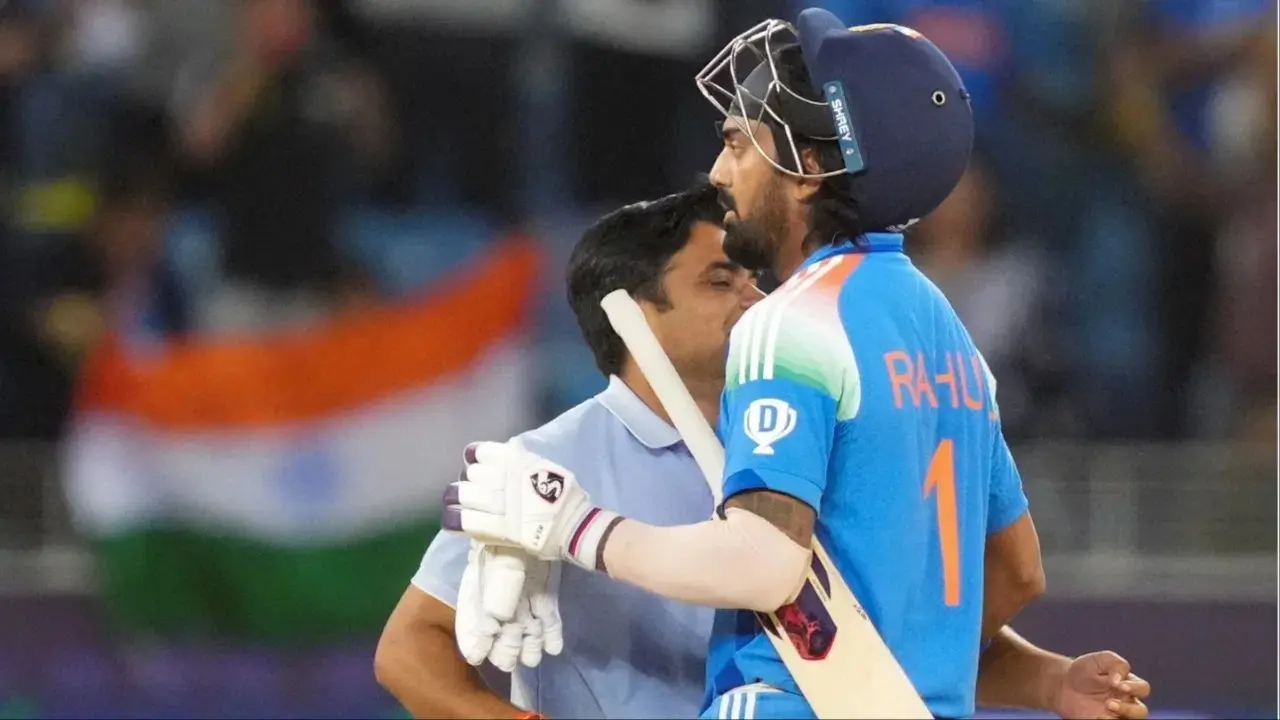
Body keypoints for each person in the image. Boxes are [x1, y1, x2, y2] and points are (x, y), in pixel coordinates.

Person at [442, 10, 1150, 720]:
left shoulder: (791, 322)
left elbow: (763, 563)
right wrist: (882, 664)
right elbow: (1018, 570)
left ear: (810, 169)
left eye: (739, 144)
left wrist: (575, 527)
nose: (719, 174)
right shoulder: (949, 336)